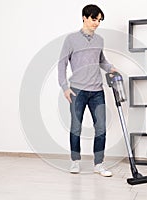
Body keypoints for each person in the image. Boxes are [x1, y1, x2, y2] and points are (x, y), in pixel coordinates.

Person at [58, 4, 116, 177]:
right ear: (84, 17)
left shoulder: (100, 40)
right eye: (94, 19)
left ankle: (99, 164)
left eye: (99, 20)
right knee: (76, 127)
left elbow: (102, 61)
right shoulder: (71, 39)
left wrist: (111, 68)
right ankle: (75, 161)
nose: (97, 23)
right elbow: (62, 63)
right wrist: (64, 87)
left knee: (101, 128)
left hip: (97, 91)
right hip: (77, 91)